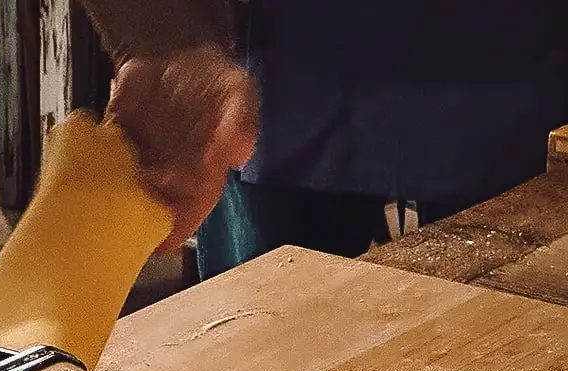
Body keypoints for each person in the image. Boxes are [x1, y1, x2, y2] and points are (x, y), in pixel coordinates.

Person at [79, 1, 568, 279]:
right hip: (274, 75)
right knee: (257, 366)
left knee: (496, 368)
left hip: (516, 66)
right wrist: (158, 32)